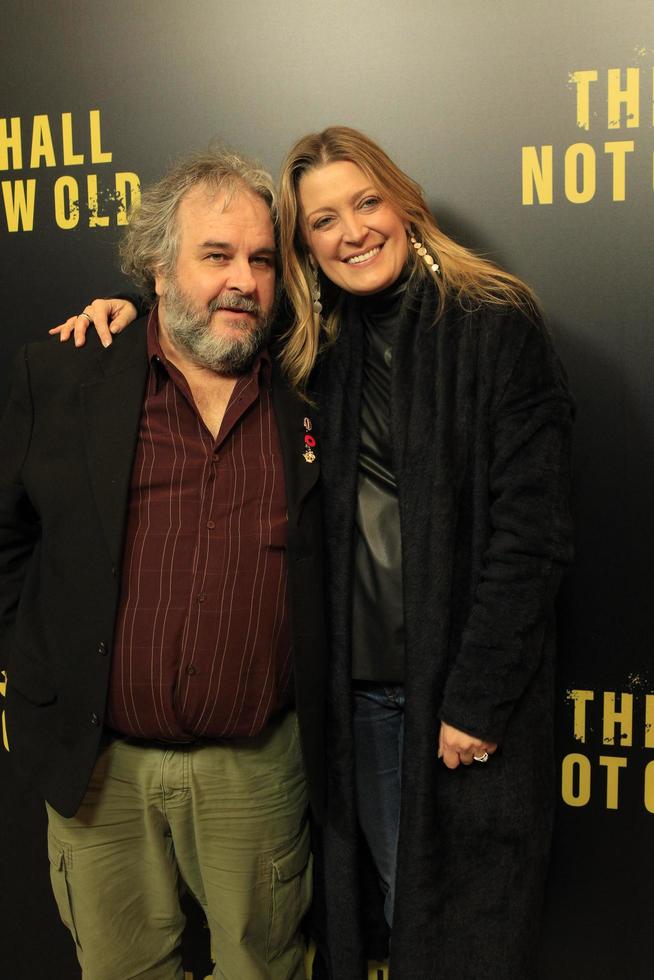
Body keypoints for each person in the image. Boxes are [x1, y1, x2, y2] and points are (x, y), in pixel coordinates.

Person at [55, 126, 574, 980]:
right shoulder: (311, 341)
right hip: (355, 700)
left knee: (460, 932)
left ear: (405, 204)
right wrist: (124, 314)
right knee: (391, 919)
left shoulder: (493, 324)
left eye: (366, 203)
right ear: (305, 247)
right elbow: (200, 310)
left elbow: (535, 529)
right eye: (322, 220)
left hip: (459, 698)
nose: (351, 232)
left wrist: (478, 694)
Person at [0, 149, 328, 980]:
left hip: (256, 772)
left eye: (260, 259)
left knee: (266, 969)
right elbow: (10, 544)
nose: (243, 281)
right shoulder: (66, 374)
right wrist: (39, 661)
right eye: (215, 255)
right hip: (99, 772)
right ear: (157, 266)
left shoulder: (314, 383)